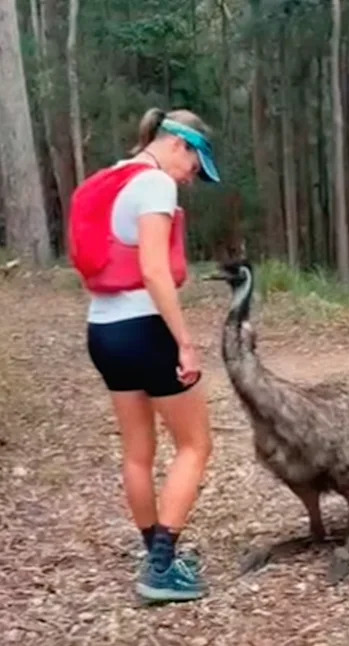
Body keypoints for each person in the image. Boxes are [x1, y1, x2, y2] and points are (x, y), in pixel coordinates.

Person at [67, 107, 220, 603]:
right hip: (146, 328)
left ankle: (153, 550)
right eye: (195, 165)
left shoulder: (112, 178)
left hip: (104, 331)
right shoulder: (156, 185)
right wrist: (185, 342)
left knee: (137, 452)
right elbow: (154, 271)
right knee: (195, 445)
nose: (192, 178)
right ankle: (160, 568)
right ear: (179, 144)